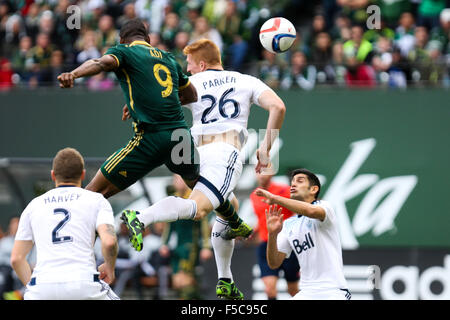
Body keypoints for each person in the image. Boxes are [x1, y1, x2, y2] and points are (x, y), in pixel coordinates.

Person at [123, 39, 286, 299]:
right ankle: (141, 218)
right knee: (199, 209)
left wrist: (135, 107)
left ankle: (225, 279)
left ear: (201, 63)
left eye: (189, 65)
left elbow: (157, 101)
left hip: (192, 152)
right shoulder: (245, 80)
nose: (187, 71)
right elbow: (278, 106)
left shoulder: (192, 84)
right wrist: (266, 148)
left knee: (227, 203)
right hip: (223, 151)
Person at [10, 147, 119, 300]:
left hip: (42, 287)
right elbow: (109, 242)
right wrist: (110, 267)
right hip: (83, 284)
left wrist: (36, 287)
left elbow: (16, 258)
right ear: (83, 174)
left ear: (53, 175)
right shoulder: (96, 200)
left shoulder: (34, 205)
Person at [257, 168, 351, 300]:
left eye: (299, 181)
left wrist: (275, 198)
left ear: (313, 189)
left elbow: (311, 212)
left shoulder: (325, 207)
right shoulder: (288, 224)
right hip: (306, 292)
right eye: (292, 182)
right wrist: (272, 234)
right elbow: (274, 263)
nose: (293, 184)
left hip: (333, 291)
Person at [159, 174, 213, 300]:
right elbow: (169, 225)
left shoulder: (195, 198)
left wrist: (206, 246)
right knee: (178, 282)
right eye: (174, 179)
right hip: (178, 247)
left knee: (184, 281)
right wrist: (164, 244)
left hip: (190, 247)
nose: (176, 182)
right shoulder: (173, 198)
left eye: (178, 178)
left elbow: (204, 224)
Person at [250, 171, 299, 300]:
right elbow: (262, 218)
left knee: (293, 290)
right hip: (267, 244)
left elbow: (298, 212)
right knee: (269, 290)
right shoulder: (254, 195)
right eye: (258, 172)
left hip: (287, 244)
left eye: (264, 172)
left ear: (271, 174)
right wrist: (253, 232)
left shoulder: (284, 190)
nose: (261, 175)